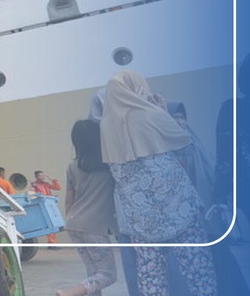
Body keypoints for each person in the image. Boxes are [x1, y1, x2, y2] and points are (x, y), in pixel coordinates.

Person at [100, 71, 216, 296]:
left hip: (141, 220)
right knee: (198, 270)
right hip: (180, 209)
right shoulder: (150, 114)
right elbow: (185, 145)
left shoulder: (106, 125)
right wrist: (162, 112)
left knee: (151, 275)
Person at [56, 120, 118, 296]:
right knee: (108, 274)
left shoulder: (73, 166)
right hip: (94, 228)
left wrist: (70, 222)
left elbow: (69, 199)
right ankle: (69, 293)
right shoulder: (109, 166)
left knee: (93, 272)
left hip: (74, 224)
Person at [31, 170, 62, 245]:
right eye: (40, 176)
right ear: (36, 177)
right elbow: (32, 195)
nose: (42, 177)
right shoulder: (34, 185)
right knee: (50, 224)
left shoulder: (46, 184)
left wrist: (54, 181)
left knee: (52, 223)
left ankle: (52, 242)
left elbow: (58, 188)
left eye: (43, 175)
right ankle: (52, 242)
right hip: (42, 206)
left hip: (50, 205)